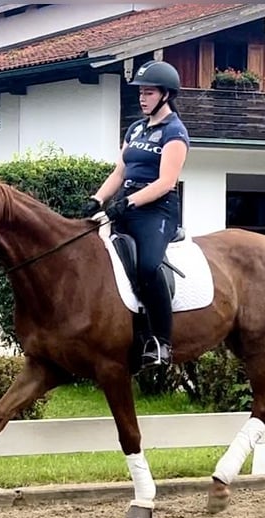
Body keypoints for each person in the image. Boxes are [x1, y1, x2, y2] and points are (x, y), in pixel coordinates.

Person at [82, 59, 190, 370]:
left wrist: (129, 203)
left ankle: (161, 343)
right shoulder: (136, 127)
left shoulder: (175, 131)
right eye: (140, 93)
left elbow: (166, 182)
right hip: (126, 203)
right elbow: (120, 171)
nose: (142, 98)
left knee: (146, 267)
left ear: (166, 95)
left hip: (158, 209)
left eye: (149, 93)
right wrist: (97, 198)